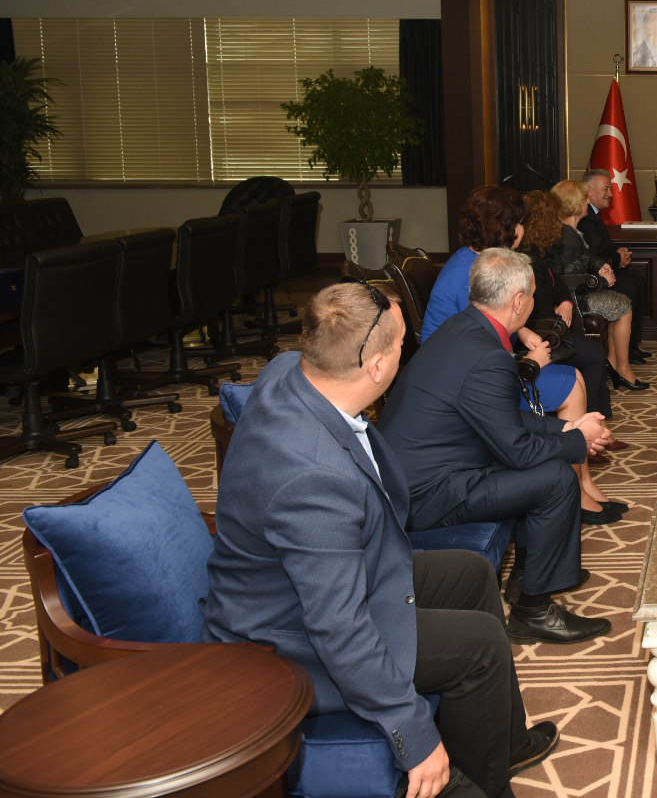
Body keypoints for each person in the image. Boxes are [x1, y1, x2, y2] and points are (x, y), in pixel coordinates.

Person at [204, 282, 560, 798]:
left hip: (342, 571)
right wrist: (412, 734)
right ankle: (483, 787)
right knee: (480, 646)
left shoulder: (290, 370)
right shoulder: (312, 480)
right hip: (286, 641)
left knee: (471, 572)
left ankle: (500, 744)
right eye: (399, 347)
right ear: (375, 367)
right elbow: (337, 628)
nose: (405, 356)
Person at [382, 249, 616, 644]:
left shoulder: (462, 329)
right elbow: (517, 451)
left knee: (546, 466)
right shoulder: (487, 354)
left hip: (425, 473)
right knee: (556, 478)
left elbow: (501, 419)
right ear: (519, 301)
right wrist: (578, 439)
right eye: (533, 295)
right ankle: (533, 611)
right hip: (428, 494)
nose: (534, 302)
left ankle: (526, 578)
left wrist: (566, 427)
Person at [422, 185, 607, 419]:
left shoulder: (477, 260)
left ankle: (582, 435)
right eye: (519, 223)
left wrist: (522, 331)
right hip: (459, 381)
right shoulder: (476, 274)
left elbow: (486, 322)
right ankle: (575, 439)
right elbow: (483, 344)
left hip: (467, 367)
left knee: (574, 377)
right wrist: (531, 362)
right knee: (569, 385)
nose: (523, 229)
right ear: (504, 227)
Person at [538, 182, 647, 391]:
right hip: (574, 299)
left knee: (620, 301)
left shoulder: (568, 230)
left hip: (575, 294)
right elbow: (572, 278)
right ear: (575, 202)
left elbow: (587, 257)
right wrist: (604, 281)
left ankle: (613, 363)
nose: (588, 201)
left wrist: (601, 266)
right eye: (585, 198)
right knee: (623, 305)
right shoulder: (567, 235)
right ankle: (622, 368)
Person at [580, 168, 651, 364]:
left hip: (604, 270)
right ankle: (625, 352)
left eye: (610, 189)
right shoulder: (585, 218)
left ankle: (631, 347)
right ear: (588, 191)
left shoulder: (594, 213)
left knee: (636, 281)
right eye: (606, 189)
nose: (610, 194)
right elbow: (594, 252)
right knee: (631, 285)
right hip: (593, 278)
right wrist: (617, 257)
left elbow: (604, 245)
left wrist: (620, 253)